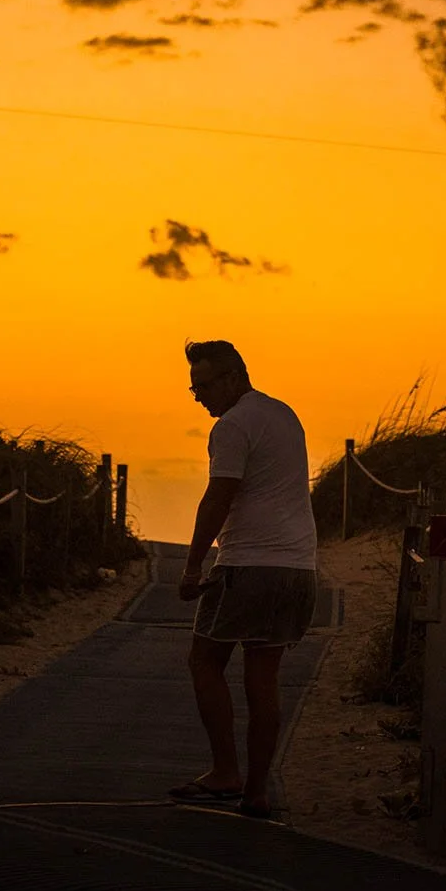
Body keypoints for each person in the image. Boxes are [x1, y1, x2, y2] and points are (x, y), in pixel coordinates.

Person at [169, 339, 318, 820]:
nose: (200, 397)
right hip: (297, 567)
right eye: (194, 389)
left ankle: (225, 771)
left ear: (234, 377)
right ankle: (255, 790)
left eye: (205, 385)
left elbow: (218, 498)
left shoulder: (233, 426)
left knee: (204, 660)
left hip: (249, 564)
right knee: (263, 677)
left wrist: (193, 567)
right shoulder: (284, 415)